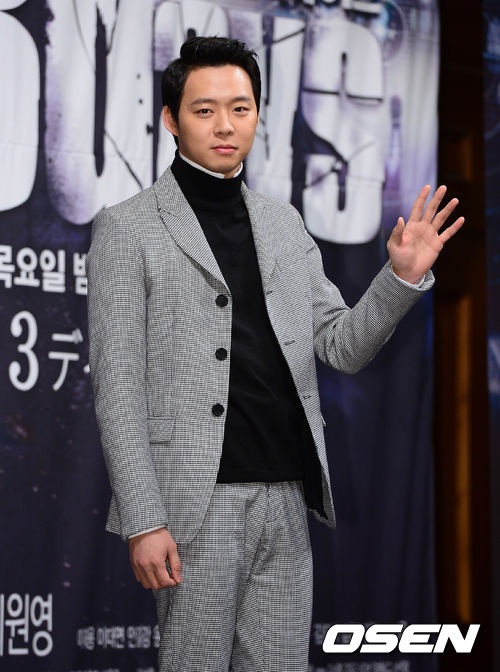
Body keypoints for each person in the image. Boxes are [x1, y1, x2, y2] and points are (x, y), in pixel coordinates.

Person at [85, 36, 463, 672]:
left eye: (240, 108)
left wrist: (399, 277)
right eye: (204, 110)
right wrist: (144, 520)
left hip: (287, 498)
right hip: (194, 505)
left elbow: (341, 346)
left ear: (258, 114)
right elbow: (118, 385)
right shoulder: (127, 226)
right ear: (171, 119)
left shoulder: (282, 222)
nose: (225, 125)